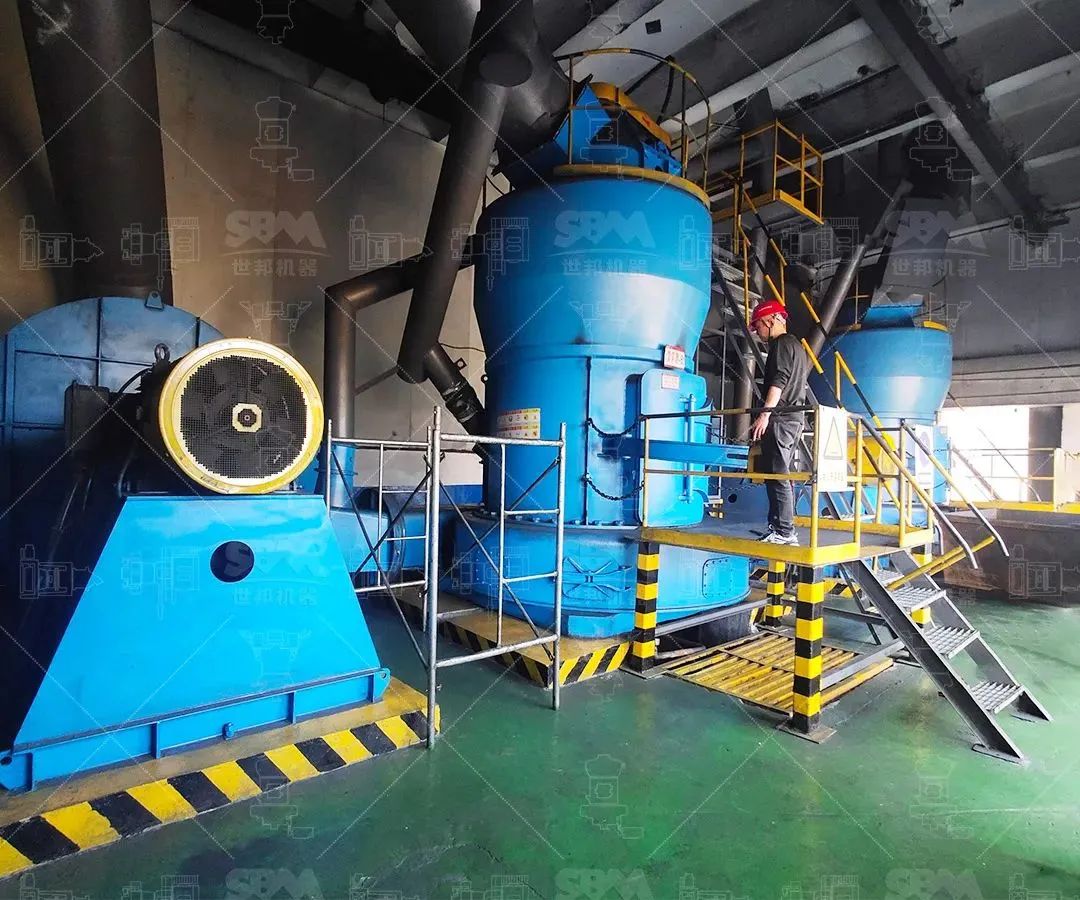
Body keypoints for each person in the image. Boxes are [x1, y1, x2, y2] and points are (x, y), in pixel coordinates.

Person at [748, 299, 810, 545]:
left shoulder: (782, 344)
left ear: (770, 320)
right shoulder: (797, 346)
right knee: (778, 472)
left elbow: (780, 380)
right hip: (793, 418)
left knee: (777, 474)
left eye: (758, 327)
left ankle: (785, 532)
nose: (758, 333)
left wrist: (764, 414)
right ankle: (780, 528)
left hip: (781, 419)